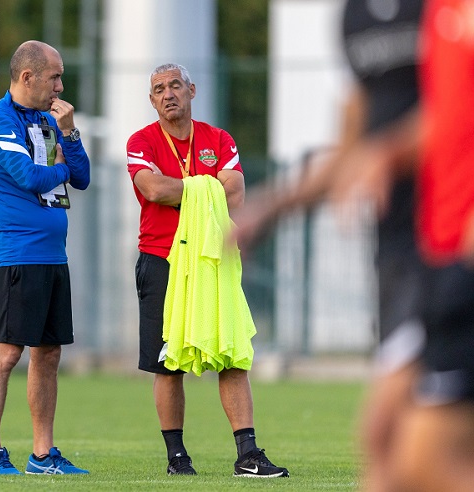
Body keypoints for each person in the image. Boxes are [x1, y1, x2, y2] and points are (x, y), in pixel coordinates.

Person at [231, 1, 424, 489]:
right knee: (396, 439)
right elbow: (351, 145)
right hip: (397, 251)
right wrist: (269, 208)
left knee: (414, 437)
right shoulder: (355, 17)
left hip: (455, 243)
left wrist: (392, 152)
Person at [126, 63, 289, 478]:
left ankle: (248, 454)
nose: (168, 94)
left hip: (212, 260)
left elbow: (235, 194)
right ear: (152, 99)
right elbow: (152, 188)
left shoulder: (219, 138)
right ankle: (177, 458)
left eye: (175, 85)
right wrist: (206, 185)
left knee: (233, 354)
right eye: (159, 89)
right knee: (168, 362)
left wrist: (189, 188)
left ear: (192, 89)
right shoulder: (141, 140)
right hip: (161, 259)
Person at [384, 1, 474, 490]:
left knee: (425, 456)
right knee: (408, 445)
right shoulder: (440, 10)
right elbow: (449, 111)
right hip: (443, 254)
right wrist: (384, 155)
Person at [0, 40, 90, 475]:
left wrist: (71, 134)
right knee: (6, 352)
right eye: (55, 76)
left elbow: (82, 177)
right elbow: (28, 177)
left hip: (52, 257)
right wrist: (59, 167)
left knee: (49, 353)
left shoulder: (48, 119)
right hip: (16, 255)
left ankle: (43, 455)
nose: (61, 85)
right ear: (27, 77)